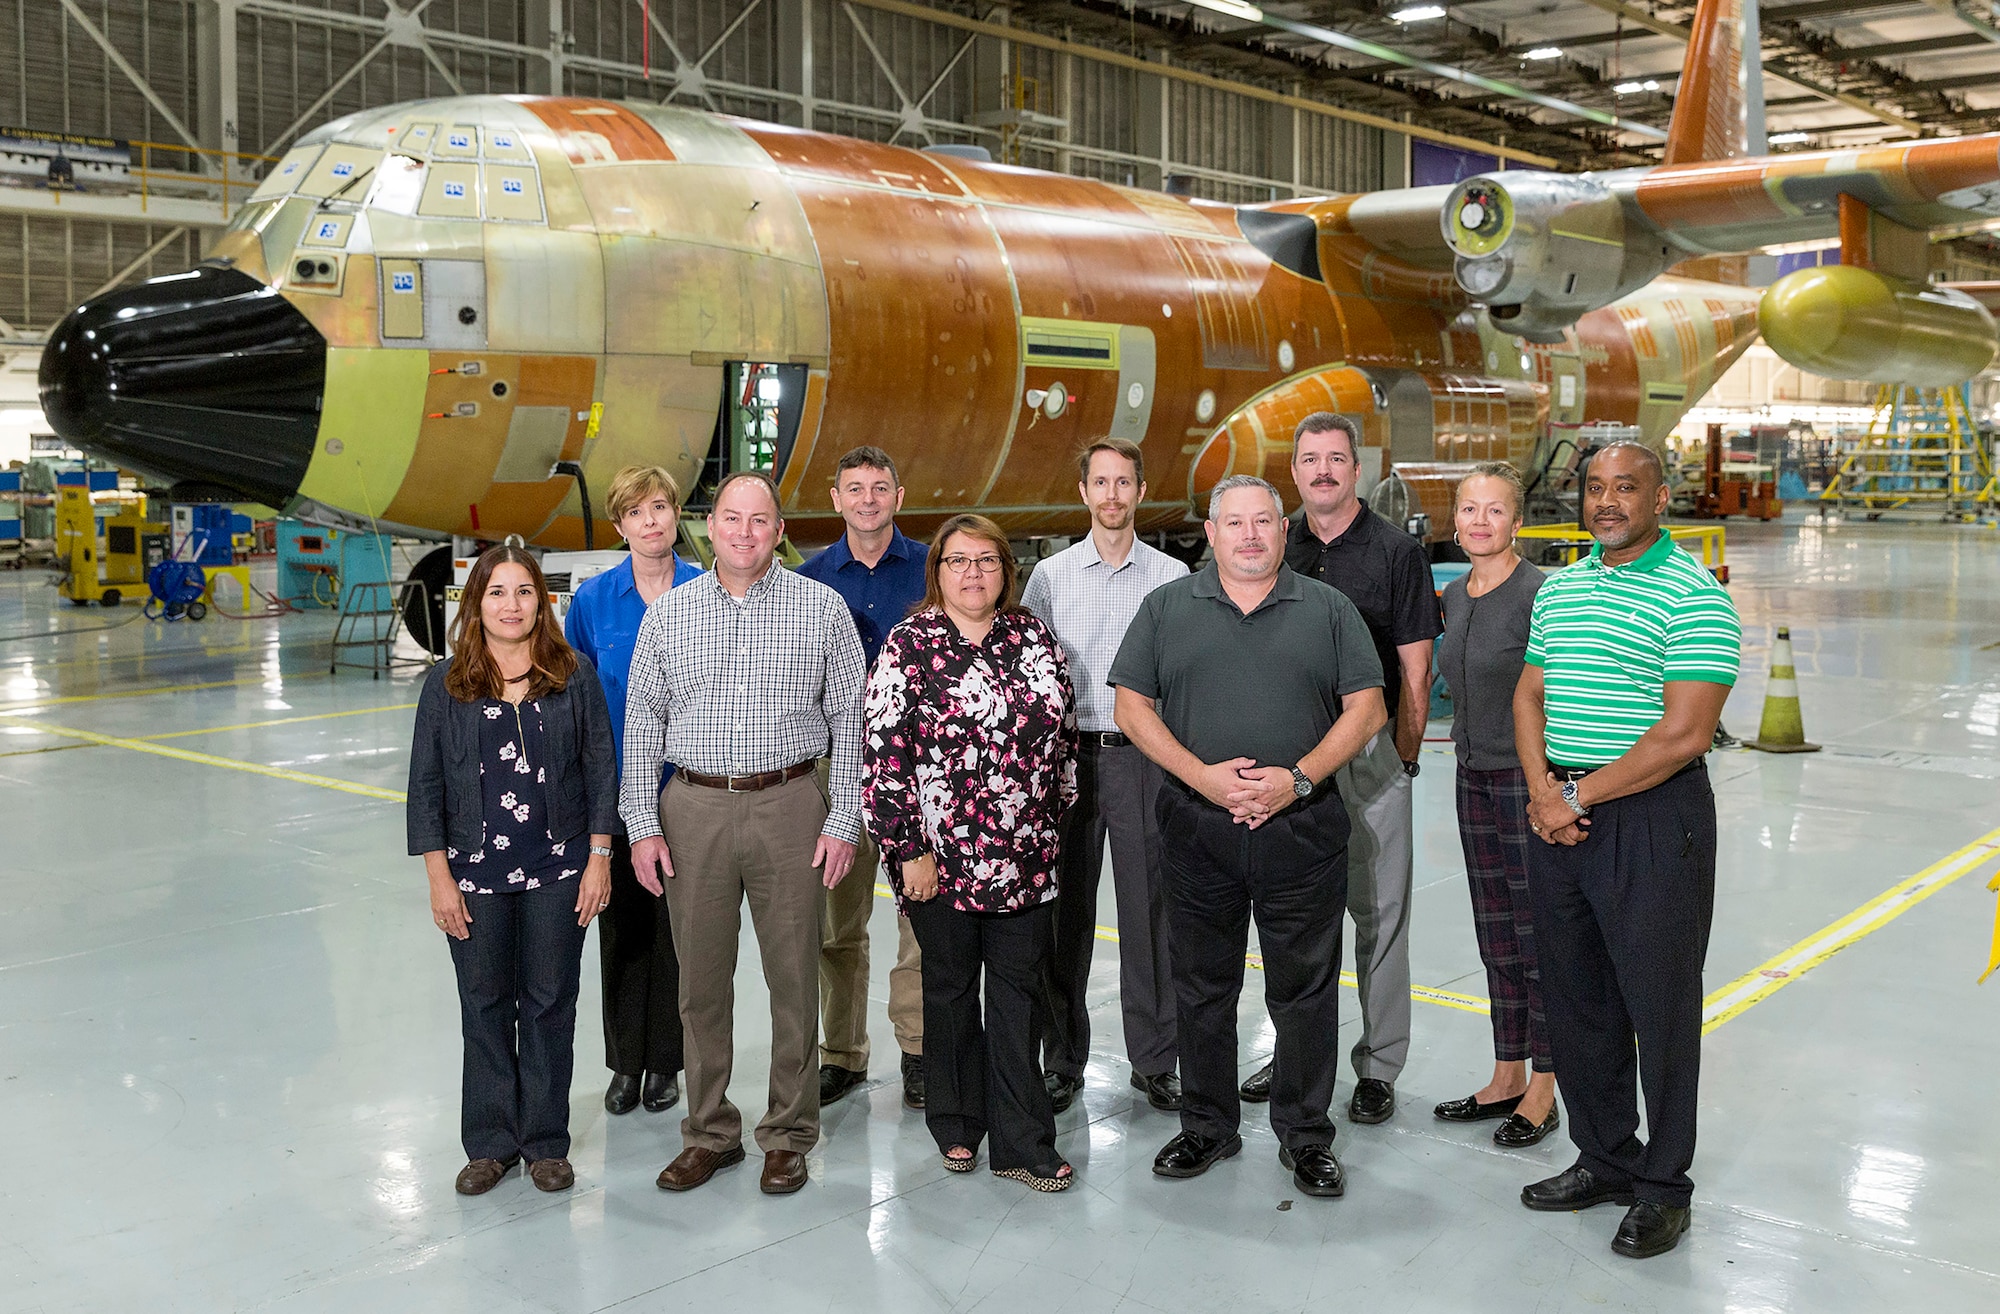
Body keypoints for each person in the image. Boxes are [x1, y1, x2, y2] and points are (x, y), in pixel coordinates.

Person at [1110, 476, 1386, 1200]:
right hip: (1199, 829)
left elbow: (1367, 709)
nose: (1251, 536)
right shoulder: (1167, 607)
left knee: (1304, 989)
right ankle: (1206, 1123)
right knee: (1202, 986)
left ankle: (1305, 1134)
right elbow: (1131, 706)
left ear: (1283, 529)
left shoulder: (1328, 609)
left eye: (1264, 522)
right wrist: (1201, 777)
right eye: (1236, 524)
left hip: (1302, 828)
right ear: (1212, 531)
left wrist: (1298, 779)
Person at [1513, 441, 1740, 1260]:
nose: (1607, 502)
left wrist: (1575, 796)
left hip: (1651, 820)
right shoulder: (1562, 588)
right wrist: (1545, 791)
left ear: (1659, 497)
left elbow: (1684, 733)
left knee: (1662, 1009)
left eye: (1625, 488)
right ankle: (1605, 1156)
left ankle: (1662, 1188)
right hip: (1559, 813)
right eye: (1596, 488)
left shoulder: (1695, 596)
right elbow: (1529, 692)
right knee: (1577, 998)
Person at [621, 470, 868, 1197]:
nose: (745, 533)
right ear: (711, 525)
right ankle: (709, 1132)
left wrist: (843, 816)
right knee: (699, 986)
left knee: (793, 977)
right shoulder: (669, 615)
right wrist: (641, 822)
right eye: (732, 519)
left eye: (760, 521)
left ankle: (788, 1134)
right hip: (692, 808)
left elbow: (851, 722)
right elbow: (643, 725)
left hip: (789, 802)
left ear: (780, 531)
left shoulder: (821, 610)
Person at [863, 515, 1080, 1191]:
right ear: (938, 572)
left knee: (1017, 997)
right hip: (941, 861)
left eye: (987, 560)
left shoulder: (1032, 638)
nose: (974, 573)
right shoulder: (910, 646)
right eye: (959, 561)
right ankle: (956, 1124)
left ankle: (1022, 1140)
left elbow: (1065, 735)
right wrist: (907, 851)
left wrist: (1048, 821)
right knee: (950, 992)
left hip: (1025, 859)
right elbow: (883, 758)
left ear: (1005, 572)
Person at [1239, 411, 1440, 1125]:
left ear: (1357, 470)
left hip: (1370, 758)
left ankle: (1379, 1065)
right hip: (1288, 761)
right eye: (1309, 459)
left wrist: (1403, 759)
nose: (1322, 470)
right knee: (1294, 919)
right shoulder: (1271, 545)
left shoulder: (1395, 554)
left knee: (1380, 915)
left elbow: (1416, 669)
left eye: (1335, 458)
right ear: (1293, 472)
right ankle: (1297, 1054)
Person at [408, 546, 617, 1197]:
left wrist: (599, 859)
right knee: (486, 1005)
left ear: (541, 602)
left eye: (523, 592)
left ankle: (546, 1142)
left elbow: (601, 767)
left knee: (551, 1004)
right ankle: (492, 1143)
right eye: (496, 592)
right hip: (474, 876)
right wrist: (439, 877)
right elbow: (425, 786)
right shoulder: (446, 685)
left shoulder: (571, 675)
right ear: (476, 603)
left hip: (558, 871)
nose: (511, 605)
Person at [1023, 438, 1188, 1115]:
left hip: (1145, 758)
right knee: (1064, 916)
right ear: (1084, 492)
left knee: (1150, 912)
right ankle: (1063, 1060)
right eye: (1101, 482)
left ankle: (1155, 1060)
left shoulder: (1172, 577)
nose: (1113, 495)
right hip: (1068, 759)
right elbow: (1030, 678)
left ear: (1140, 491)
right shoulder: (1050, 579)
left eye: (1124, 483)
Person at [564, 466, 703, 1119]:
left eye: (659, 507)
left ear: (675, 515)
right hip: (619, 796)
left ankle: (666, 1064)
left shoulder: (708, 593)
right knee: (621, 933)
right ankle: (625, 1062)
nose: (650, 521)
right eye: (635, 512)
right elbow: (573, 704)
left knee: (679, 933)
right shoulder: (592, 604)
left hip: (692, 792)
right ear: (619, 525)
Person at [796, 446, 929, 1111]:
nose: (868, 499)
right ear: (836, 497)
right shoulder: (807, 581)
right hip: (835, 768)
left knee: (920, 917)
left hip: (918, 771)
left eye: (881, 487)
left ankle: (919, 1051)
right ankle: (842, 1055)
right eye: (856, 488)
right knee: (833, 924)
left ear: (899, 497)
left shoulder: (936, 569)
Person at [1433, 463, 1558, 1147]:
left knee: (1538, 934)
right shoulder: (1454, 595)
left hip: (1525, 781)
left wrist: (1551, 787)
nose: (1480, 521)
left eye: (1495, 510)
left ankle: (1545, 1083)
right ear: (1455, 520)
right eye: (1469, 509)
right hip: (1472, 777)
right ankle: (1506, 1070)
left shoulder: (1542, 593)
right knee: (1495, 930)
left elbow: (1552, 693)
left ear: (1517, 521)